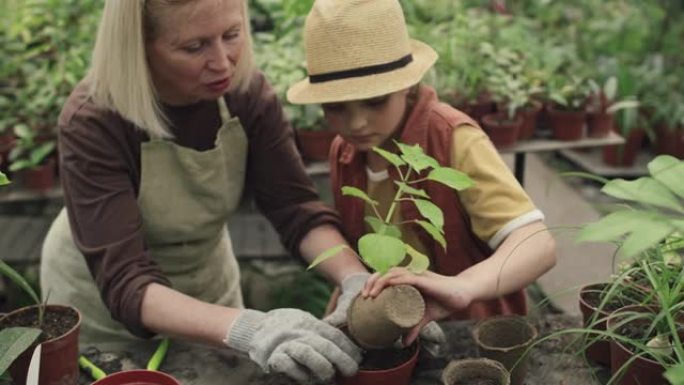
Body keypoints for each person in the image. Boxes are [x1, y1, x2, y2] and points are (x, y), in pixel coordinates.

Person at [40, 1, 370, 383]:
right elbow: (126, 279)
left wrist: (354, 280)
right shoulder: (94, 121)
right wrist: (251, 328)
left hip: (208, 288)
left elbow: (294, 206)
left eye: (231, 35)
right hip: (104, 305)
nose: (223, 62)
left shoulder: (246, 96)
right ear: (139, 45)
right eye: (194, 47)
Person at [287, 0, 557, 346]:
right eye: (335, 108)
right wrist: (338, 315)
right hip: (395, 335)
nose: (356, 123)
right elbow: (363, 264)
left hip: (474, 336)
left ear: (408, 85)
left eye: (375, 101)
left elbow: (537, 244)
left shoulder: (453, 139)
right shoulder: (345, 152)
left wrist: (462, 287)